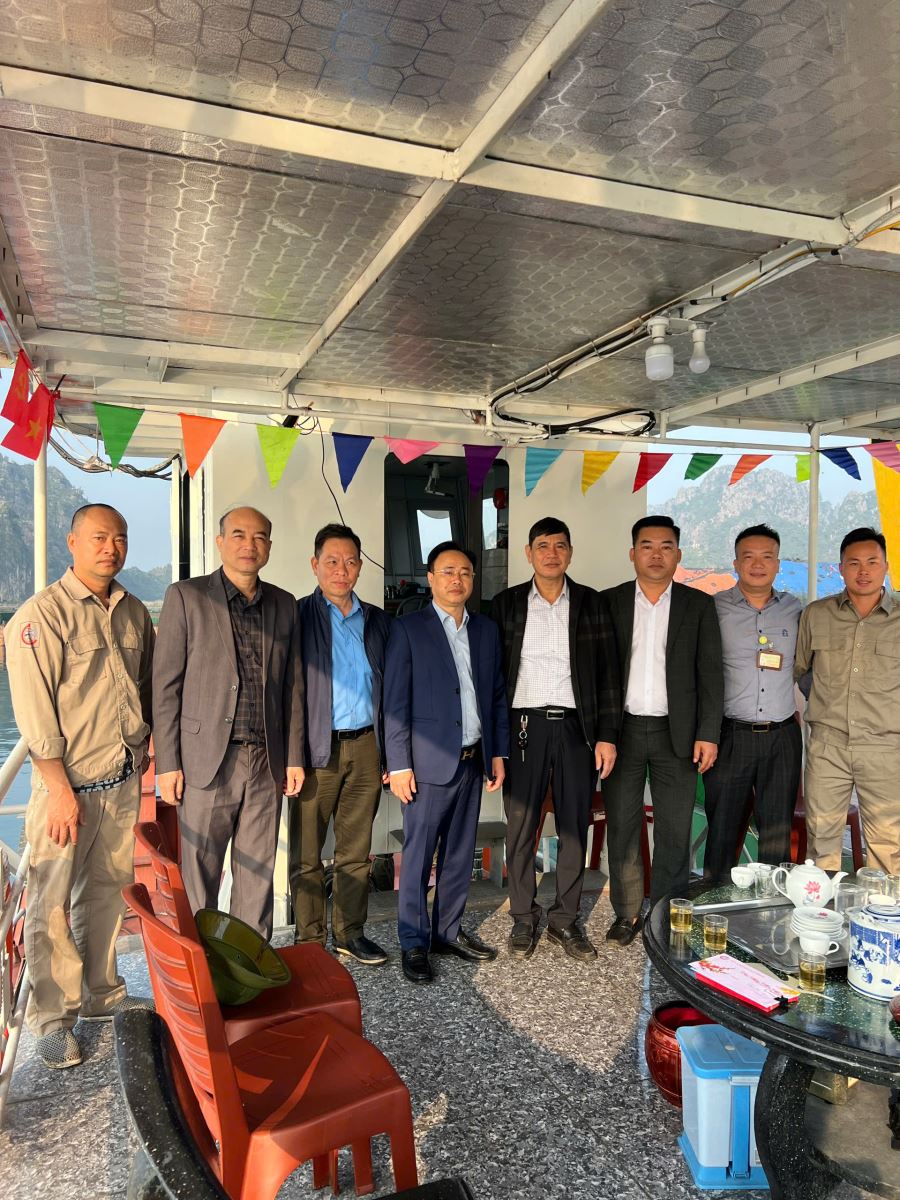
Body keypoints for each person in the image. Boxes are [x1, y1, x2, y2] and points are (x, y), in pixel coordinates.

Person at [6, 504, 155, 1070]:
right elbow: (34, 713)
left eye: (119, 538)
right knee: (50, 902)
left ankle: (101, 993)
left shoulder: (134, 611)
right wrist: (58, 789)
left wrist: (142, 749)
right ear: (72, 543)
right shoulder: (40, 616)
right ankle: (53, 1018)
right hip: (63, 788)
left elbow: (143, 687)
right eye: (98, 537)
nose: (110, 548)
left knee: (108, 891)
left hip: (120, 782)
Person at [152, 507, 304, 938]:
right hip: (206, 762)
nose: (249, 545)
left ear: (269, 547)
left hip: (266, 762)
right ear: (220, 542)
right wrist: (168, 763)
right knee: (200, 872)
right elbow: (165, 686)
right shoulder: (187, 597)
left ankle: (248, 964)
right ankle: (200, 963)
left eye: (259, 537)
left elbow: (293, 687)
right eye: (238, 535)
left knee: (258, 875)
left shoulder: (284, 604)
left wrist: (294, 756)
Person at [491, 517, 620, 962]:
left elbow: (608, 675)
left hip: (575, 728)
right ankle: (523, 916)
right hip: (523, 726)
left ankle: (564, 920)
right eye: (542, 546)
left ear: (570, 552)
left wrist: (606, 736)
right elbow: (493, 677)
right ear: (528, 553)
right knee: (521, 826)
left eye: (560, 545)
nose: (551, 554)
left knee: (573, 826)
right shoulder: (506, 604)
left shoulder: (591, 603)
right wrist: (496, 742)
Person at [384, 542, 509, 984]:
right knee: (419, 856)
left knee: (459, 853)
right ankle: (414, 941)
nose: (458, 580)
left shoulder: (486, 630)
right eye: (448, 571)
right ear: (431, 578)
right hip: (426, 765)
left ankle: (447, 932)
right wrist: (399, 764)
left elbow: (495, 694)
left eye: (465, 573)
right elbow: (394, 702)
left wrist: (498, 752)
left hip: (474, 761)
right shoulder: (409, 629)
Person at [600, 516, 723, 946]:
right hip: (623, 732)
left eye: (666, 546)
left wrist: (708, 733)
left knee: (674, 828)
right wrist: (602, 733)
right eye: (647, 546)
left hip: (679, 734)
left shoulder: (698, 605)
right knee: (622, 824)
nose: (656, 554)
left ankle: (668, 912)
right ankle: (627, 913)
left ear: (678, 555)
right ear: (632, 553)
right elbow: (600, 674)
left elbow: (711, 675)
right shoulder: (610, 602)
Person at [290, 523, 391, 965]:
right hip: (316, 749)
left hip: (366, 746)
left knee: (355, 850)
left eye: (350, 561)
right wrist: (292, 755)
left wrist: (392, 753)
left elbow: (391, 688)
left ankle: (350, 932)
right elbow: (287, 692)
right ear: (315, 565)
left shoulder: (377, 621)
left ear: (360, 566)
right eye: (331, 561)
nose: (341, 570)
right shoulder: (296, 617)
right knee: (307, 852)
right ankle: (310, 942)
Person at [794, 527, 900, 874]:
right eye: (854, 563)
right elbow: (802, 671)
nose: (863, 571)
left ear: (886, 566)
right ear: (841, 568)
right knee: (821, 844)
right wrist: (827, 703)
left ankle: (883, 909)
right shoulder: (817, 614)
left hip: (885, 748)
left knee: (888, 847)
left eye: (872, 562)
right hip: (828, 747)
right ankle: (822, 908)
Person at [703, 525, 802, 881]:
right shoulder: (714, 608)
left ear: (778, 563)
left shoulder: (795, 609)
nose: (758, 564)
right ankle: (714, 901)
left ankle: (772, 906)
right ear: (735, 563)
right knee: (722, 830)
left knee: (776, 833)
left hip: (782, 736)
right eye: (749, 557)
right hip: (731, 735)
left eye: (767, 557)